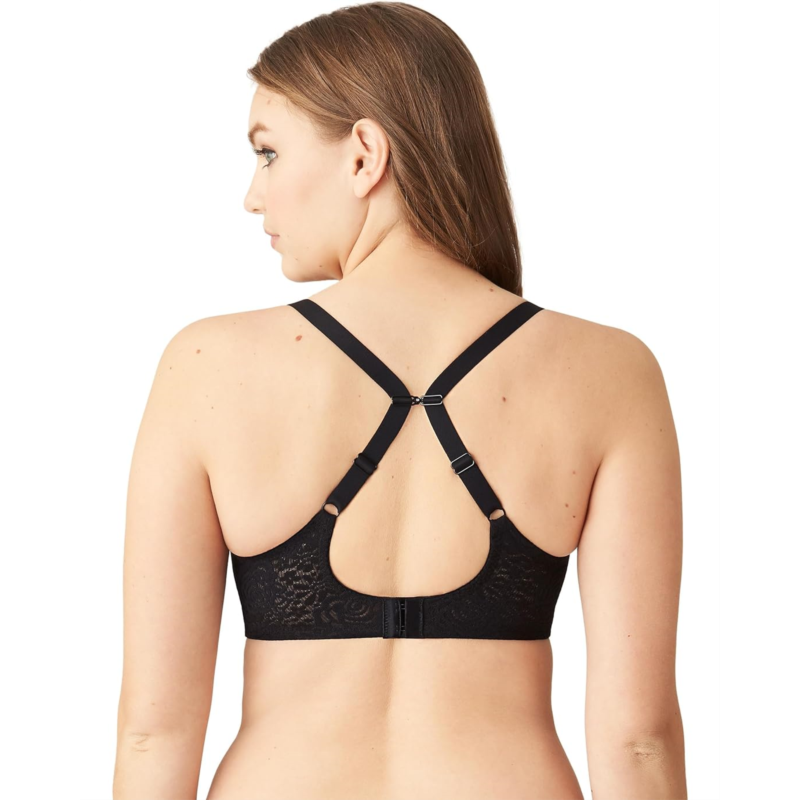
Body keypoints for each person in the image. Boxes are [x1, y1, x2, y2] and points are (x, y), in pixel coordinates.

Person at [112, 3, 687, 799]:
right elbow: (639, 740)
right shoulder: (609, 372)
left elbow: (154, 731)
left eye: (268, 152)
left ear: (364, 155)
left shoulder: (207, 367)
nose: (253, 194)